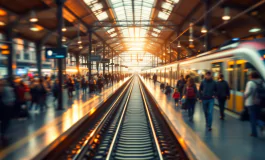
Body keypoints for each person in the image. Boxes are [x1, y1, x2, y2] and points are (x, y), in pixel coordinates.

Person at [244, 71, 265, 137]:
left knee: (253, 118)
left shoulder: (250, 83)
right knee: (257, 117)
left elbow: (247, 93)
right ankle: (261, 125)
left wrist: (244, 97)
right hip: (259, 102)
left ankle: (255, 132)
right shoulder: (262, 82)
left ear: (251, 76)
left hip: (251, 103)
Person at [0, 79, 15, 144]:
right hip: (4, 107)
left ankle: (3, 136)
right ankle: (3, 136)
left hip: (5, 108)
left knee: (5, 122)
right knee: (5, 122)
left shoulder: (5, 89)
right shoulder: (5, 89)